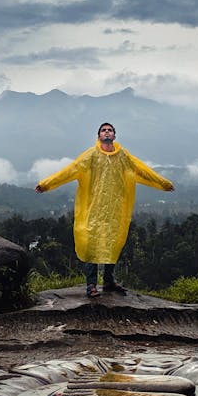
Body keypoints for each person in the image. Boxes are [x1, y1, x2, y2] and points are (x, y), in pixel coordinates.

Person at [35, 122, 174, 297]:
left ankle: (108, 280)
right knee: (91, 245)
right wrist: (46, 184)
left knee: (113, 243)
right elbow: (70, 170)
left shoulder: (123, 156)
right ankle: (91, 285)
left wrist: (163, 184)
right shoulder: (91, 155)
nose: (107, 132)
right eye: (103, 130)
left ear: (114, 136)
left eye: (110, 130)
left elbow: (142, 170)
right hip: (94, 208)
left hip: (116, 209)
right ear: (98, 135)